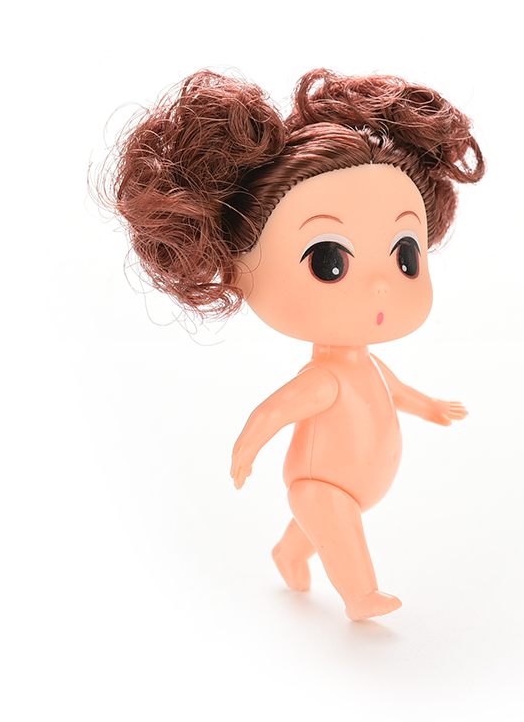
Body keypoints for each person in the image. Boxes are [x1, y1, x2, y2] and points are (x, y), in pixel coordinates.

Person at [102, 68, 485, 619]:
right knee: (332, 522)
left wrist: (431, 406)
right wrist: (247, 447)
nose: (381, 284)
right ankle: (361, 596)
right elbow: (276, 411)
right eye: (330, 261)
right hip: (320, 484)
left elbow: (395, 392)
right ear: (237, 272)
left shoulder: (367, 367)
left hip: (351, 487)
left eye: (405, 255)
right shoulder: (324, 379)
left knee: (314, 531)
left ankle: (287, 554)